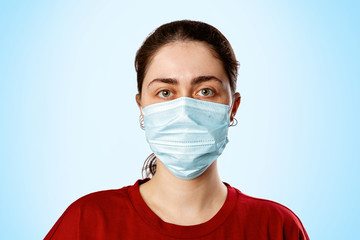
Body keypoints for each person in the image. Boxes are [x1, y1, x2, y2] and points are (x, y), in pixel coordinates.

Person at [44, 20, 309, 239]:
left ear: (233, 107)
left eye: (205, 91)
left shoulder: (276, 227)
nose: (184, 109)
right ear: (142, 106)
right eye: (165, 92)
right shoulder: (87, 222)